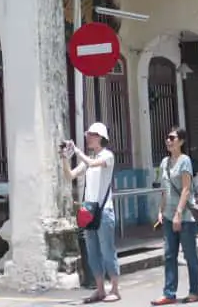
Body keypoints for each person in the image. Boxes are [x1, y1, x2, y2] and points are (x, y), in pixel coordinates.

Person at [61, 122, 120, 304]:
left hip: (104, 210)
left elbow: (93, 163)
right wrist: (64, 158)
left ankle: (115, 289)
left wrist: (77, 151)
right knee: (93, 251)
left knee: (107, 250)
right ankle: (100, 289)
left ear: (100, 137)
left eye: (91, 134)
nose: (87, 137)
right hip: (89, 211)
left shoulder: (107, 156)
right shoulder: (88, 159)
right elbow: (69, 175)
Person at [151, 126, 198, 305]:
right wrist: (161, 210)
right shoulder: (164, 162)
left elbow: (187, 189)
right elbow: (165, 190)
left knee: (189, 255)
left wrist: (179, 214)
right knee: (169, 254)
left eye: (172, 138)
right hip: (168, 215)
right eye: (167, 137)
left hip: (185, 216)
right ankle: (169, 293)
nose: (168, 140)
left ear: (181, 141)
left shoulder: (184, 161)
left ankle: (195, 291)